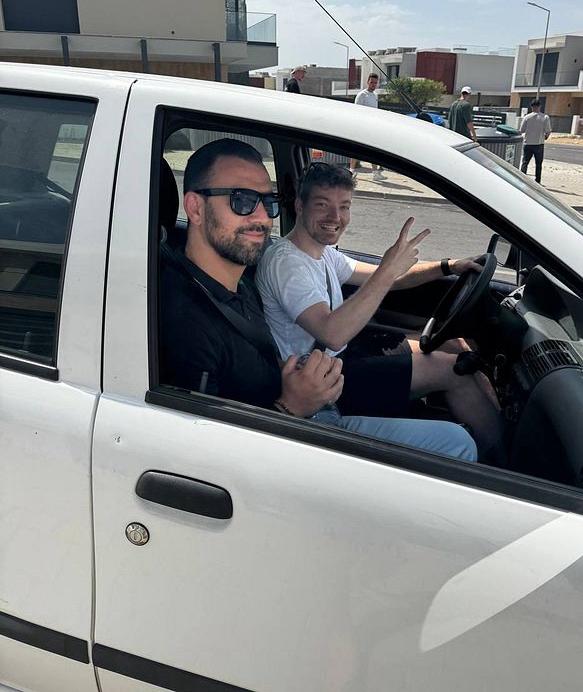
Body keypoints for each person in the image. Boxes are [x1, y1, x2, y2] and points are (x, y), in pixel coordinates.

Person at [159, 138, 477, 462]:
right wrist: (289, 408)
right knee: (459, 442)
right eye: (241, 200)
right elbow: (203, 458)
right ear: (196, 208)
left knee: (453, 357)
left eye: (267, 203)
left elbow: (387, 278)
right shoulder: (186, 321)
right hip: (304, 432)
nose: (261, 218)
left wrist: (446, 266)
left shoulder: (237, 289)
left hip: (317, 394)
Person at [256, 161, 504, 462]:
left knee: (455, 344)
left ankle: (499, 431)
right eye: (323, 205)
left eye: (344, 206)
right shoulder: (287, 262)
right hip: (325, 380)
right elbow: (332, 333)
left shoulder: (321, 255)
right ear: (299, 205)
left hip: (345, 357)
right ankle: (501, 463)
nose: (335, 217)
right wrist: (388, 269)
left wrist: (447, 266)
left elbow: (390, 279)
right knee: (457, 369)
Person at [350, 73, 387, 181]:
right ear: (367, 82)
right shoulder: (362, 95)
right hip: (361, 126)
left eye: (375, 83)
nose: (373, 84)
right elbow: (356, 111)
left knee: (373, 149)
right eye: (371, 82)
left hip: (372, 127)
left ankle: (375, 172)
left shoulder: (375, 95)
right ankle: (351, 170)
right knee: (356, 148)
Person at [519, 98, 551, 183]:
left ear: (531, 107)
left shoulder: (527, 117)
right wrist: (546, 137)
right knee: (538, 164)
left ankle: (522, 179)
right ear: (540, 106)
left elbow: (521, 130)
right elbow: (548, 131)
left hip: (528, 143)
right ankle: (537, 181)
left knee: (525, 162)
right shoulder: (545, 117)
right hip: (539, 143)